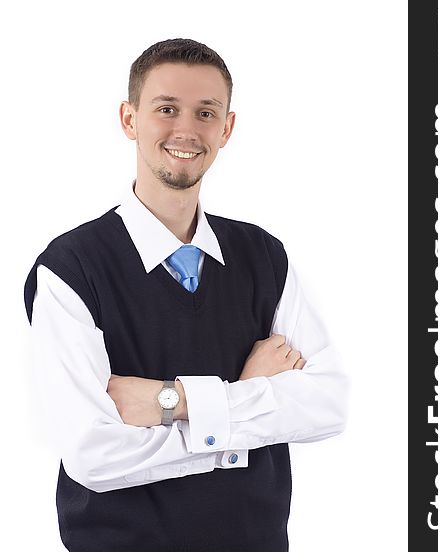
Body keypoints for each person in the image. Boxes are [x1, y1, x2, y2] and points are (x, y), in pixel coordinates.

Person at [24, 38, 348, 552]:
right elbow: (94, 454)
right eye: (166, 109)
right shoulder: (69, 269)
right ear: (129, 119)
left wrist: (171, 402)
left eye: (205, 113)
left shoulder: (263, 256)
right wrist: (250, 407)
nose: (187, 130)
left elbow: (328, 405)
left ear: (227, 128)